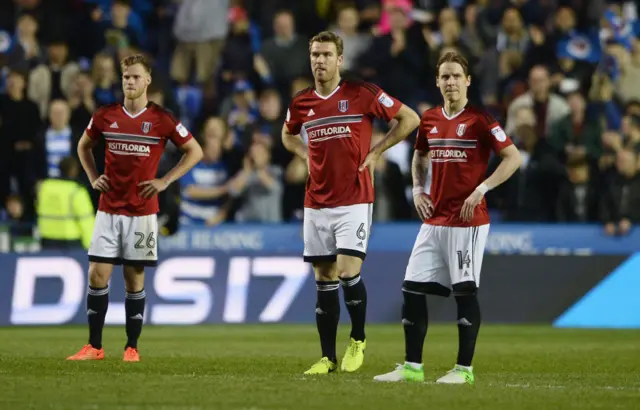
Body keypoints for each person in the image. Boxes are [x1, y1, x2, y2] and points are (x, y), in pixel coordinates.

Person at [373, 52, 522, 384]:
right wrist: (416, 189)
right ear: (437, 81)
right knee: (411, 289)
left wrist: (482, 188)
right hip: (434, 219)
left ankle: (464, 370)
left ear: (467, 81)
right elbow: (420, 156)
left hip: (467, 221)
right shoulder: (429, 119)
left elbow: (513, 158)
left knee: (464, 292)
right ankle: (413, 367)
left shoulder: (481, 120)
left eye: (456, 76)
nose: (451, 82)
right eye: (445, 76)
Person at [282, 31, 420, 375]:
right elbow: (287, 134)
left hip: (354, 199)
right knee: (323, 276)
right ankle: (327, 357)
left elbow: (411, 119)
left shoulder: (361, 93)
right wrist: (304, 153)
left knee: (346, 271)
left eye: (327, 54)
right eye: (315, 54)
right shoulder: (301, 102)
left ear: (340, 59)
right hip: (316, 201)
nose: (320, 61)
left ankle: (357, 338)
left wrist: (376, 151)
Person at [67, 54, 203, 362]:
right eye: (126, 76)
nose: (130, 81)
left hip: (142, 212)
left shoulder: (161, 119)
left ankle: (132, 347)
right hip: (108, 208)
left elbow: (194, 151)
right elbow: (82, 146)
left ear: (147, 81)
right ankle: (95, 346)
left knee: (134, 278)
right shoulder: (105, 115)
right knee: (97, 275)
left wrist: (165, 181)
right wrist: (92, 177)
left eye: (135, 76)